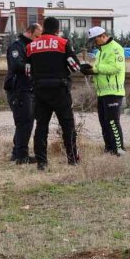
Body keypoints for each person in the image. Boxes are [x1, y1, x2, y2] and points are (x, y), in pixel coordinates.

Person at [25, 16, 82, 171]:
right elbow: (75, 67)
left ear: (43, 28)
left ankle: (42, 162)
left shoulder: (32, 46)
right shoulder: (63, 43)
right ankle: (72, 159)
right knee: (67, 126)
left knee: (41, 127)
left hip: (40, 91)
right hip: (60, 91)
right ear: (57, 29)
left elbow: (27, 70)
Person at [80, 26, 126, 156]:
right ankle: (109, 149)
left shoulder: (116, 48)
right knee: (104, 123)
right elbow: (100, 70)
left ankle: (119, 149)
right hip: (102, 92)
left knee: (113, 122)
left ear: (102, 36)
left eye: (95, 40)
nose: (94, 43)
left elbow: (115, 67)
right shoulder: (100, 52)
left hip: (113, 92)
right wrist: (89, 70)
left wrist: (94, 69)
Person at [4, 23, 42, 164]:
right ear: (30, 32)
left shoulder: (31, 47)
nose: (38, 39)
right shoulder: (17, 46)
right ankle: (21, 156)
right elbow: (16, 65)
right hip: (18, 89)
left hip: (28, 89)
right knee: (24, 122)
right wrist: (34, 67)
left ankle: (18, 153)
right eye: (37, 36)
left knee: (27, 122)